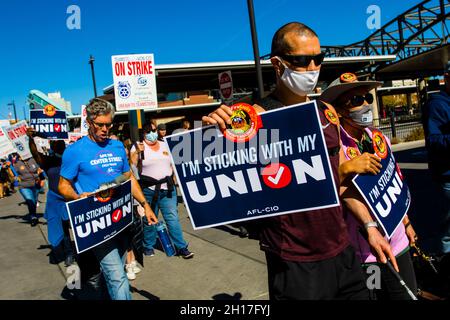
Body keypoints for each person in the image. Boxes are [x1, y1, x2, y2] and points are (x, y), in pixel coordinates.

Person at [203, 22, 398, 300]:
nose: (312, 68)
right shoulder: (254, 120)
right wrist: (214, 131)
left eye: (318, 59)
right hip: (295, 262)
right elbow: (224, 178)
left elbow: (343, 185)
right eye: (302, 60)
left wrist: (369, 227)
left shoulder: (327, 111)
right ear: (278, 64)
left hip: (343, 252)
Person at [321, 72, 418, 299]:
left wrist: (407, 222)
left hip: (398, 242)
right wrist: (346, 168)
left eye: (367, 99)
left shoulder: (378, 138)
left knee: (406, 295)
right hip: (365, 254)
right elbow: (336, 189)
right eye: (356, 101)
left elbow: (394, 180)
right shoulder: (336, 148)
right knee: (376, 295)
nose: (365, 105)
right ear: (340, 111)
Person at [58, 98, 158, 300]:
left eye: (108, 124)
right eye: (100, 125)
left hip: (122, 219)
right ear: (89, 121)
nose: (105, 129)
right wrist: (79, 196)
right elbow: (63, 185)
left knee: (116, 271)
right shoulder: (74, 151)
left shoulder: (117, 146)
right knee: (117, 276)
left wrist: (145, 205)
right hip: (97, 222)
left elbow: (129, 178)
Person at [130, 122, 194, 259]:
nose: (152, 133)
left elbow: (172, 163)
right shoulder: (137, 146)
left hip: (167, 189)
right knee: (150, 220)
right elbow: (132, 168)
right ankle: (148, 245)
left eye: (154, 130)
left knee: (173, 218)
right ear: (143, 133)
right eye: (149, 131)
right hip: (148, 190)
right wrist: (137, 153)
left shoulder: (165, 144)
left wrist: (175, 178)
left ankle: (181, 247)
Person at [27, 128, 74, 266]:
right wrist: (32, 138)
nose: (55, 143)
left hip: (70, 196)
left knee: (75, 226)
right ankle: (68, 253)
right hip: (55, 199)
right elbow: (35, 153)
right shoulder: (48, 160)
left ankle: (83, 250)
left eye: (58, 141)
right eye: (53, 141)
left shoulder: (70, 159)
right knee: (62, 226)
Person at [422, 61, 450, 278]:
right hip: (447, 175)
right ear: (447, 77)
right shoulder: (437, 104)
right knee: (448, 229)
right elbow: (434, 140)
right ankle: (445, 269)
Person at [13, 152, 45, 227]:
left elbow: (40, 170)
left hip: (35, 185)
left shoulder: (33, 160)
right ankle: (33, 217)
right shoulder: (17, 163)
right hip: (24, 186)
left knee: (34, 201)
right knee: (30, 200)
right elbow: (13, 174)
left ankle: (33, 214)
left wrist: (42, 179)